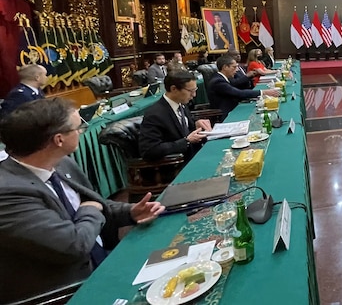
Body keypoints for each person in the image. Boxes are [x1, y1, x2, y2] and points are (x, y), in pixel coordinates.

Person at [0, 99, 164, 303]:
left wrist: (129, 212)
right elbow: (74, 245)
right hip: (68, 289)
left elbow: (95, 203)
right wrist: (91, 211)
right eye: (78, 127)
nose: (81, 131)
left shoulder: (62, 163)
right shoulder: (7, 193)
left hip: (103, 260)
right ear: (58, 140)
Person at [139, 72, 212, 162]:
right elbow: (149, 151)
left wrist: (196, 124)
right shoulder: (154, 115)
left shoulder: (181, 104)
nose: (194, 95)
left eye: (195, 90)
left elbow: (183, 127)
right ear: (174, 89)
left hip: (195, 156)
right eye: (191, 91)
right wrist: (186, 141)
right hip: (177, 165)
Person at [207, 55, 280, 119]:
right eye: (234, 67)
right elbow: (238, 92)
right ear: (225, 67)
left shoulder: (223, 78)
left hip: (235, 107)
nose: (236, 70)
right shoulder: (218, 81)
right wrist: (263, 92)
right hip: (227, 114)